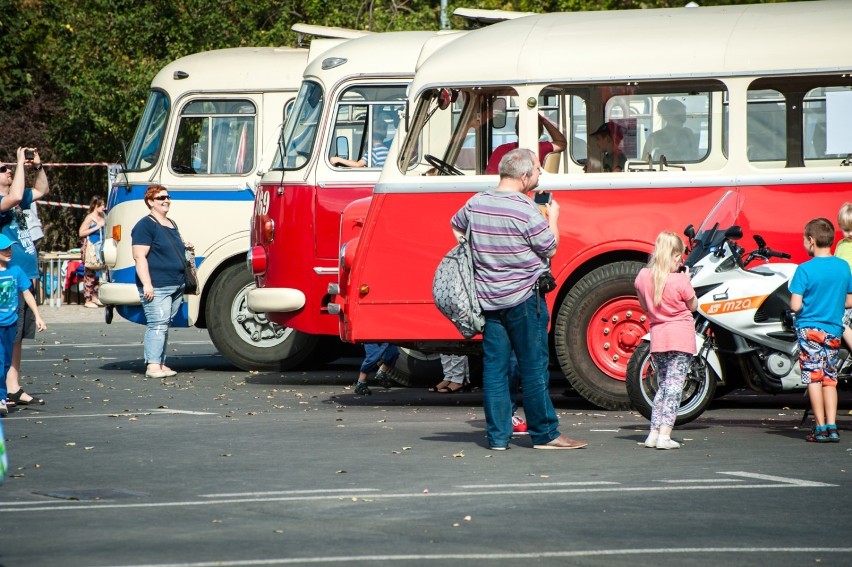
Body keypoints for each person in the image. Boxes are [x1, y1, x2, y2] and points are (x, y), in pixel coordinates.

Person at [451, 148, 586, 450]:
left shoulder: (476, 203)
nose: (540, 175)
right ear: (524, 176)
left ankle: (498, 437)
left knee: (495, 370)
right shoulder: (525, 210)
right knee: (533, 367)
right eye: (538, 170)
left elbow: (457, 228)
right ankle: (545, 434)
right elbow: (549, 247)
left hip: (489, 300)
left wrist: (480, 254)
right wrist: (553, 216)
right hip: (526, 298)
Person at [789, 217, 852, 443]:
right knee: (830, 378)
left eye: (804, 240)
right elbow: (849, 301)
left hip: (809, 330)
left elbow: (795, 305)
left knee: (814, 378)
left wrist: (810, 304)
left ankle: (820, 427)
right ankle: (834, 426)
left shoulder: (804, 270)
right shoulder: (843, 267)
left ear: (811, 240)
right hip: (834, 329)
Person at [633, 232, 698, 450]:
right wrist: (687, 280)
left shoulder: (643, 276)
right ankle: (665, 435)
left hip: (658, 338)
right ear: (675, 256)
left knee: (662, 387)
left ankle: (653, 433)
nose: (680, 263)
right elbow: (693, 306)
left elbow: (644, 305)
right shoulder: (680, 280)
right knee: (674, 388)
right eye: (679, 259)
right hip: (680, 338)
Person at [1, 147, 49, 408]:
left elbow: (41, 190)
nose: (8, 170)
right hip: (6, 279)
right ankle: (4, 388)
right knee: (7, 334)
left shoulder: (17, 199)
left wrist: (38, 167)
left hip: (23, 277)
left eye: (9, 167)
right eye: (2, 168)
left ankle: (12, 387)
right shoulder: (1, 201)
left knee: (17, 336)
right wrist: (20, 162)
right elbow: (17, 193)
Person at [131, 185, 192, 379]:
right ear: (150, 202)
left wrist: (186, 247)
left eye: (168, 197)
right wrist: (147, 284)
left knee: (164, 324)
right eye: (161, 198)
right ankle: (153, 366)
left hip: (176, 283)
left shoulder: (171, 223)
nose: (167, 200)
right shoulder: (145, 225)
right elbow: (139, 257)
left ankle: (160, 362)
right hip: (157, 285)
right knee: (157, 323)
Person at [0, 233, 47, 416]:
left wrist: (38, 316)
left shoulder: (16, 271)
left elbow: (27, 294)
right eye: (4, 249)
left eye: (10, 247)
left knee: (5, 365)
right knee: (0, 361)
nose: (9, 251)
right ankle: (2, 398)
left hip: (11, 325)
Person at [485, 113, 566, 175]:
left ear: (516, 131)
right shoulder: (541, 147)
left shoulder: (502, 149)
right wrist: (544, 120)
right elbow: (561, 143)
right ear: (540, 132)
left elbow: (490, 177)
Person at [641, 99, 698, 163]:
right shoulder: (655, 137)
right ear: (669, 115)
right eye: (681, 114)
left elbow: (695, 156)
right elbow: (645, 161)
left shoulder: (688, 133)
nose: (684, 114)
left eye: (684, 113)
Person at [78, 196, 106, 308]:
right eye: (102, 205)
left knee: (100, 274)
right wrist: (96, 227)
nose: (104, 207)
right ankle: (88, 298)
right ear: (95, 205)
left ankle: (95, 296)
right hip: (92, 247)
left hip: (101, 246)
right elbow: (81, 232)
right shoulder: (90, 218)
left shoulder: (103, 216)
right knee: (90, 273)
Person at [835, 203, 852, 358]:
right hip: (843, 292)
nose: (850, 233)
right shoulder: (841, 245)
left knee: (839, 322)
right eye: (846, 229)